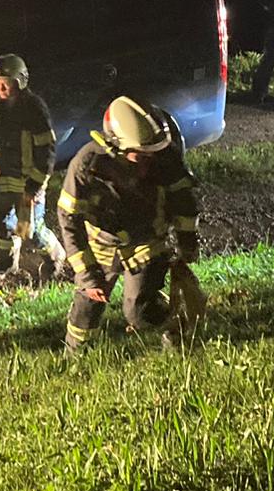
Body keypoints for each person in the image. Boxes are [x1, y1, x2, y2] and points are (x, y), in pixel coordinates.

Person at [56, 96, 200, 355]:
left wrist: (187, 243)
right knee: (86, 307)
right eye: (139, 156)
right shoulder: (87, 166)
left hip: (146, 241)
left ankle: (176, 334)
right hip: (101, 244)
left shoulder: (164, 156)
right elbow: (69, 219)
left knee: (140, 311)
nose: (147, 163)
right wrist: (87, 274)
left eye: (151, 155)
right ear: (115, 147)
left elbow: (184, 203)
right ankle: (74, 357)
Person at [0, 54, 61, 277]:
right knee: (2, 223)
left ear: (19, 81)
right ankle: (7, 264)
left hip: (28, 181)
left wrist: (35, 184)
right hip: (4, 178)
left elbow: (46, 149)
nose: (1, 88)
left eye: (5, 83)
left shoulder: (34, 108)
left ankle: (55, 256)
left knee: (30, 230)